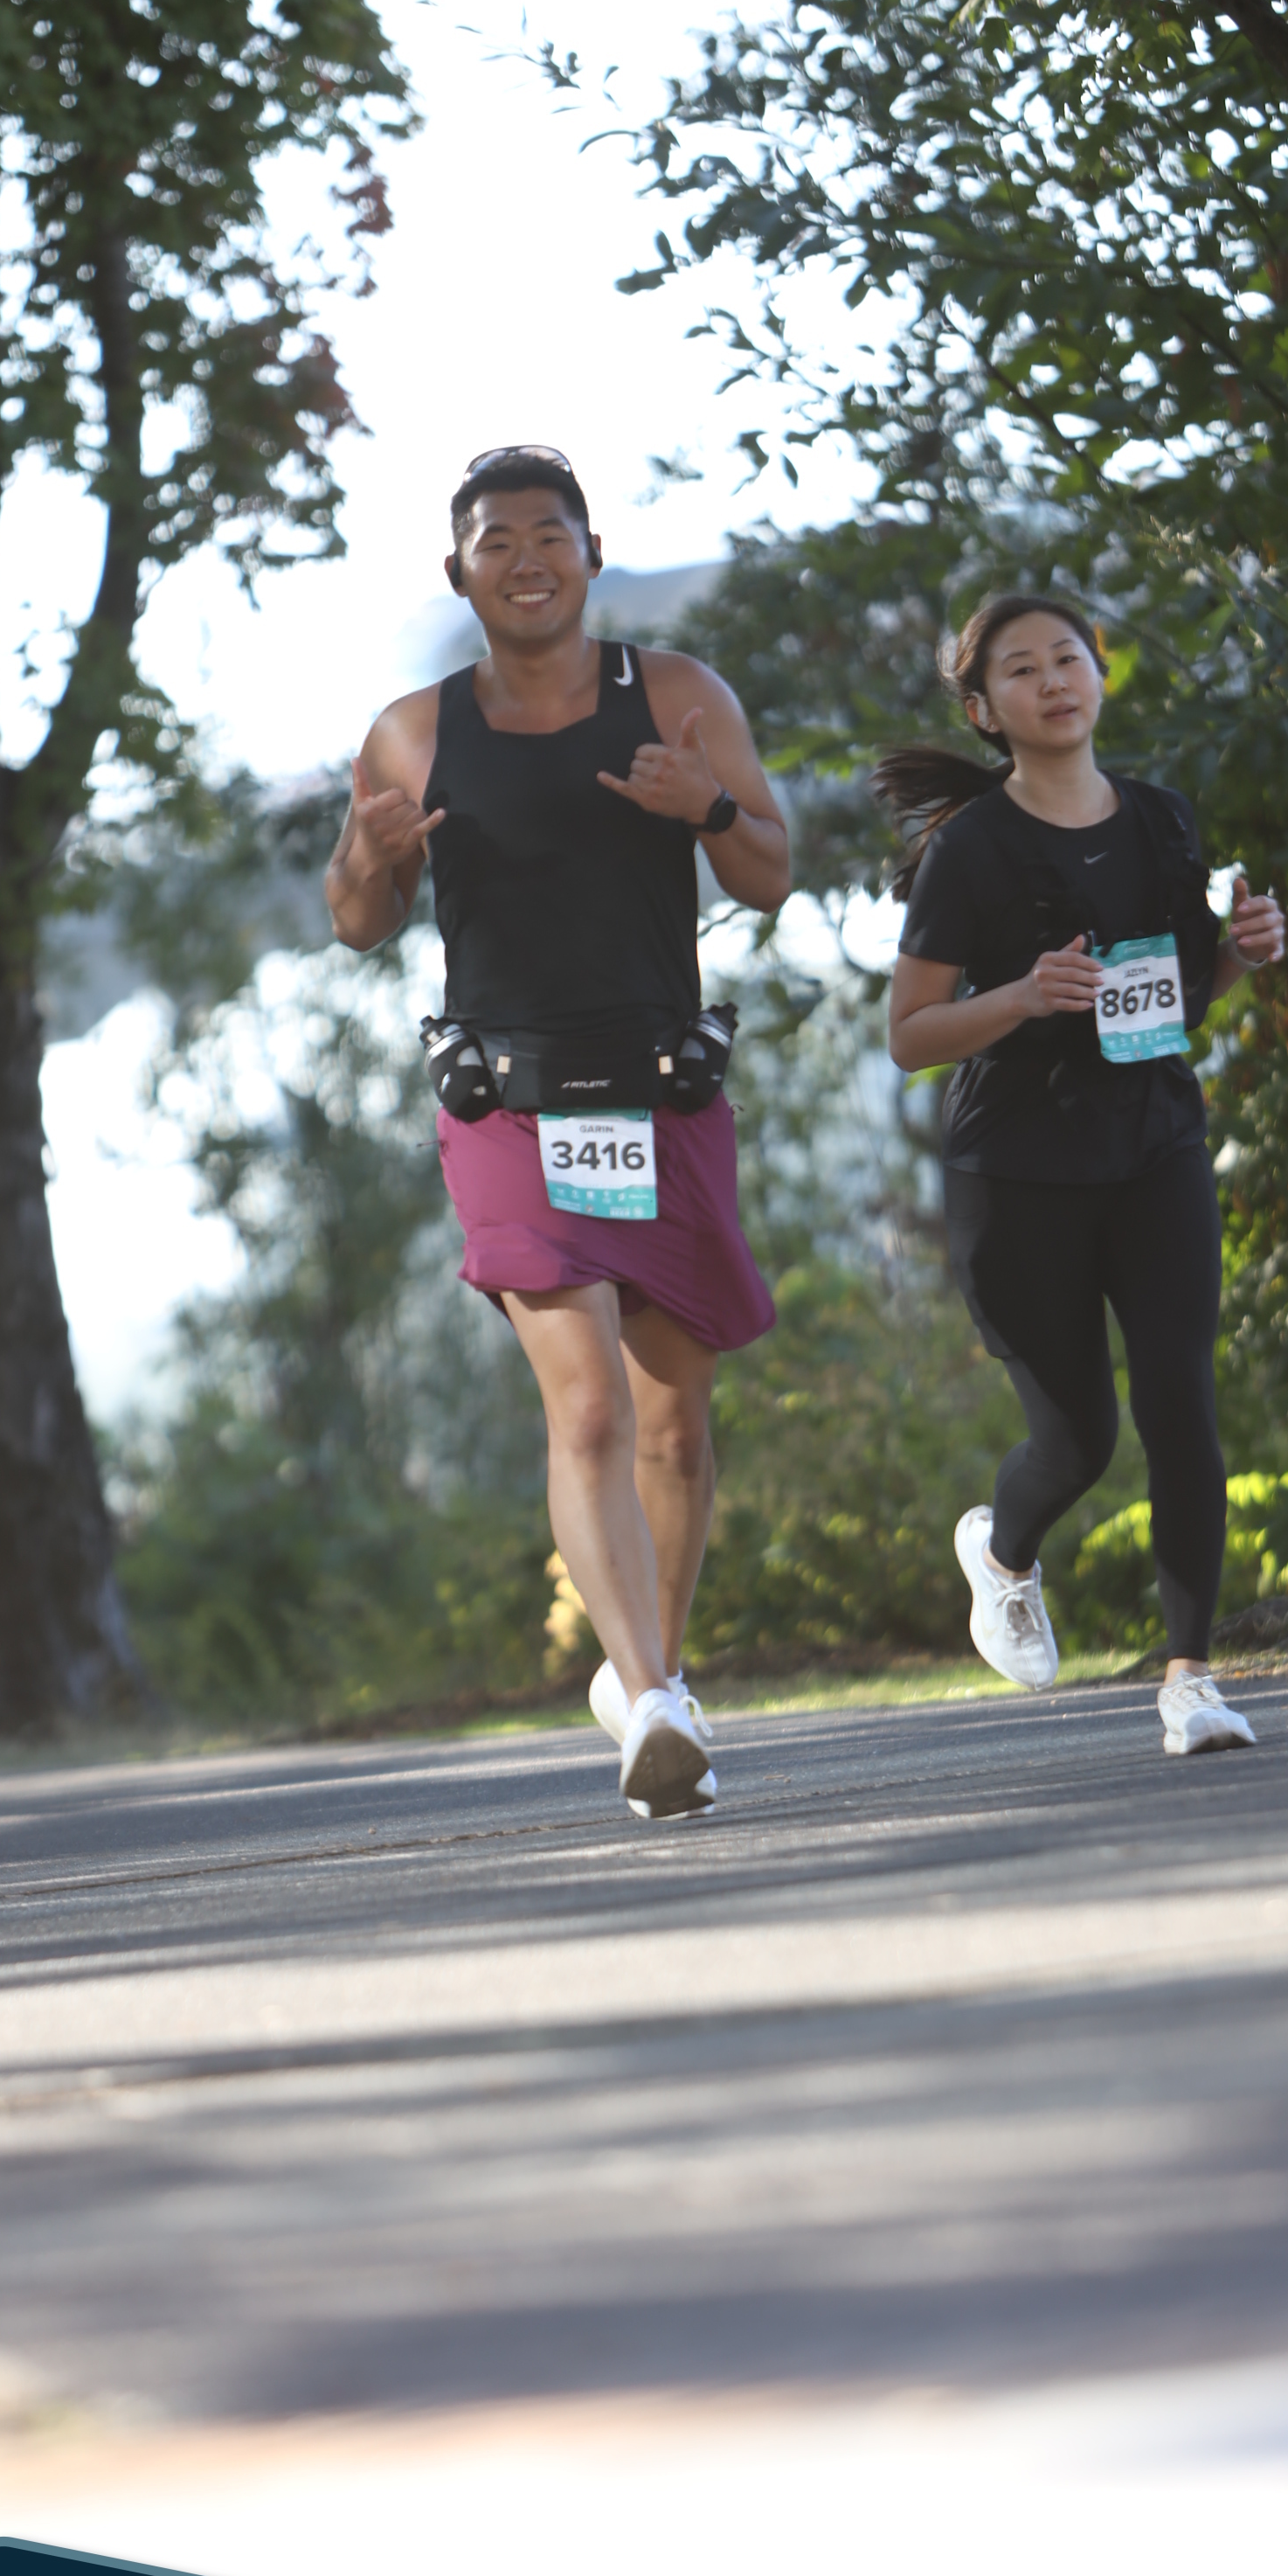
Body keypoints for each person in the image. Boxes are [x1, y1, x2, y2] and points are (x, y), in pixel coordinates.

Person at [325, 447, 790, 1817]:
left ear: (592, 552)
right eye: (497, 541)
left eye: (549, 536)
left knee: (675, 1430)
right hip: (509, 1107)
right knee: (586, 1403)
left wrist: (705, 808)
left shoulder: (681, 696)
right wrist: (371, 858)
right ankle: (648, 1701)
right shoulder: (413, 733)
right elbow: (358, 921)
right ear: (457, 571)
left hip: (661, 1093)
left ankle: (659, 1679)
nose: (526, 560)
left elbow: (770, 873)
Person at [881, 592, 1285, 1755]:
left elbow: (1178, 997)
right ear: (985, 710)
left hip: (1154, 1142)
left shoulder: (1163, 820)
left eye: (1069, 658)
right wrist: (1020, 996)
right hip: (1019, 1169)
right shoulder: (972, 849)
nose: (1053, 680)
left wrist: (1241, 954)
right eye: (1022, 669)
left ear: (1100, 676)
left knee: (1181, 1402)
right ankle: (1003, 1553)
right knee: (1079, 1439)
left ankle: (1193, 1679)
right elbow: (909, 1034)